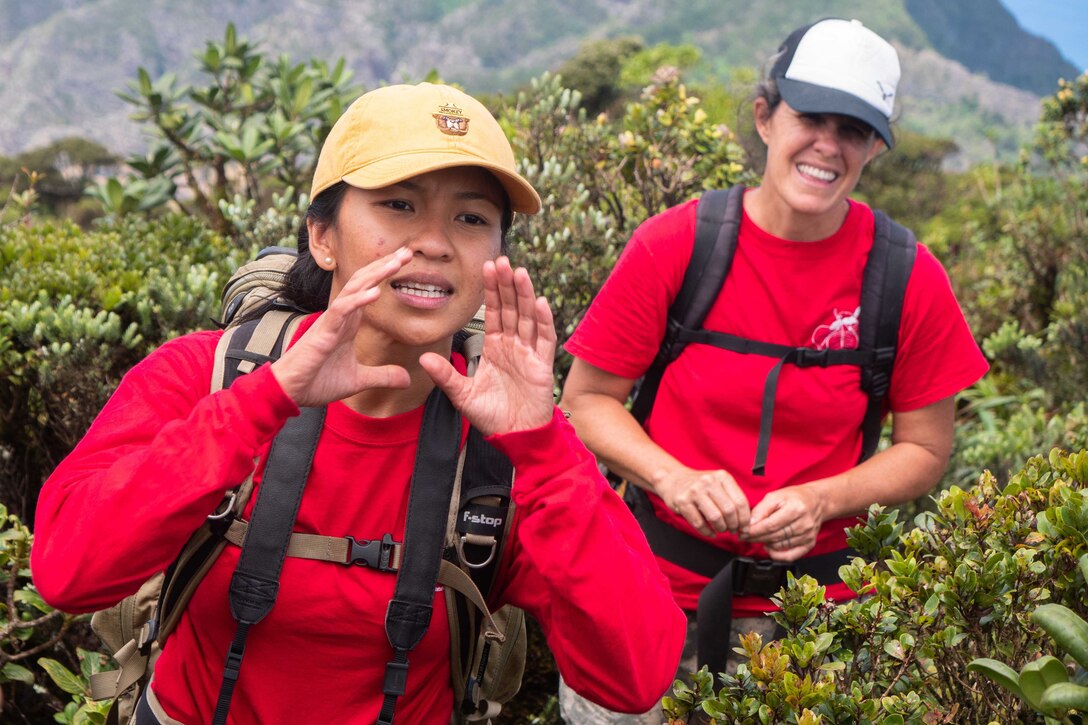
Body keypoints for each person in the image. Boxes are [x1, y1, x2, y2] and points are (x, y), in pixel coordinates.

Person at [31, 82, 686, 724]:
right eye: (399, 204)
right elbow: (68, 572)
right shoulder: (206, 374)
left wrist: (541, 447)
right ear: (323, 237)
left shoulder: (507, 447)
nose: (435, 241)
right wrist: (266, 401)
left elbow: (632, 677)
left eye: (471, 217)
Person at [558, 18, 989, 724]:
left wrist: (822, 499)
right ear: (764, 118)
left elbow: (926, 450)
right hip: (646, 598)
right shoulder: (675, 245)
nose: (828, 144)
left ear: (874, 148)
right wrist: (674, 477)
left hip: (814, 617)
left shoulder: (907, 277)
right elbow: (587, 400)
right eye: (810, 118)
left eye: (852, 129)